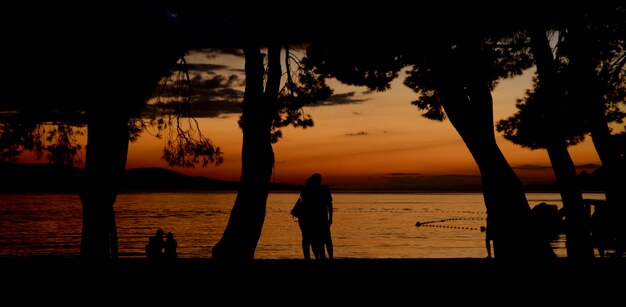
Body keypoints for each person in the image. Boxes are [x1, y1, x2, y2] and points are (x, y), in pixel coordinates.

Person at [296, 173, 334, 260]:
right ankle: (323, 257)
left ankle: (315, 257)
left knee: (313, 240)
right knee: (319, 240)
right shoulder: (322, 190)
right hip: (314, 220)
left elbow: (329, 204)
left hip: (310, 220)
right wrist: (331, 218)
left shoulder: (307, 190)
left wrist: (330, 218)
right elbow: (330, 205)